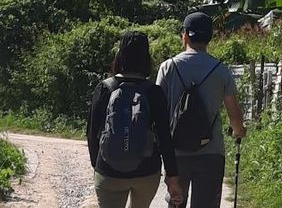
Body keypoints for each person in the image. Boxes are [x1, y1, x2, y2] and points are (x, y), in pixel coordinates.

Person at [156, 12, 246, 208]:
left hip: (176, 153)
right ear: (210, 38)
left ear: (185, 35)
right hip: (211, 153)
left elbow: (158, 112)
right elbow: (234, 116)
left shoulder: (168, 67)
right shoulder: (221, 70)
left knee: (176, 202)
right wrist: (238, 132)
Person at [87, 31, 184, 208]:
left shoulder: (104, 88)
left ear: (119, 56)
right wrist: (172, 175)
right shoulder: (154, 92)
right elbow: (164, 136)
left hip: (109, 171)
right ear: (146, 58)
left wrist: (99, 165)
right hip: (146, 173)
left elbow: (92, 133)